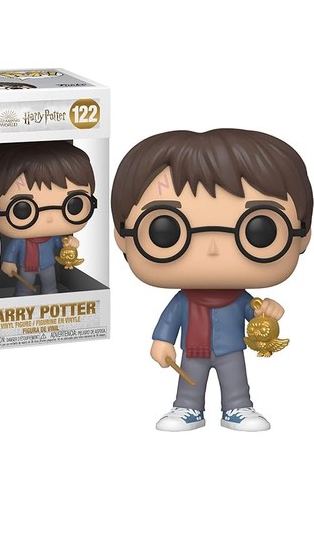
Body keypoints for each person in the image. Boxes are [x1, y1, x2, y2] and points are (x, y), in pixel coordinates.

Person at [111, 129, 312, 431]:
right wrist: (162, 342)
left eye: (260, 230)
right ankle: (187, 407)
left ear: (303, 235)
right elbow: (169, 322)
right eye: (166, 230)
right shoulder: (184, 301)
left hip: (232, 348)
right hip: (193, 350)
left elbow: (256, 314)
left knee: (235, 379)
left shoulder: (240, 299)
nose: (214, 249)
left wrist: (268, 312)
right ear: (122, 236)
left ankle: (238, 407)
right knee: (190, 380)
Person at [0, 141, 96, 296]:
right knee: (23, 290)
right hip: (26, 267)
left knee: (50, 287)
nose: (49, 218)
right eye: (23, 209)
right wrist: (8, 262)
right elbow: (12, 251)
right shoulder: (20, 240)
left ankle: (51, 299)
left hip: (48, 266)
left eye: (74, 205)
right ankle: (22, 300)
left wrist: (69, 243)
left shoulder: (51, 238)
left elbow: (61, 243)